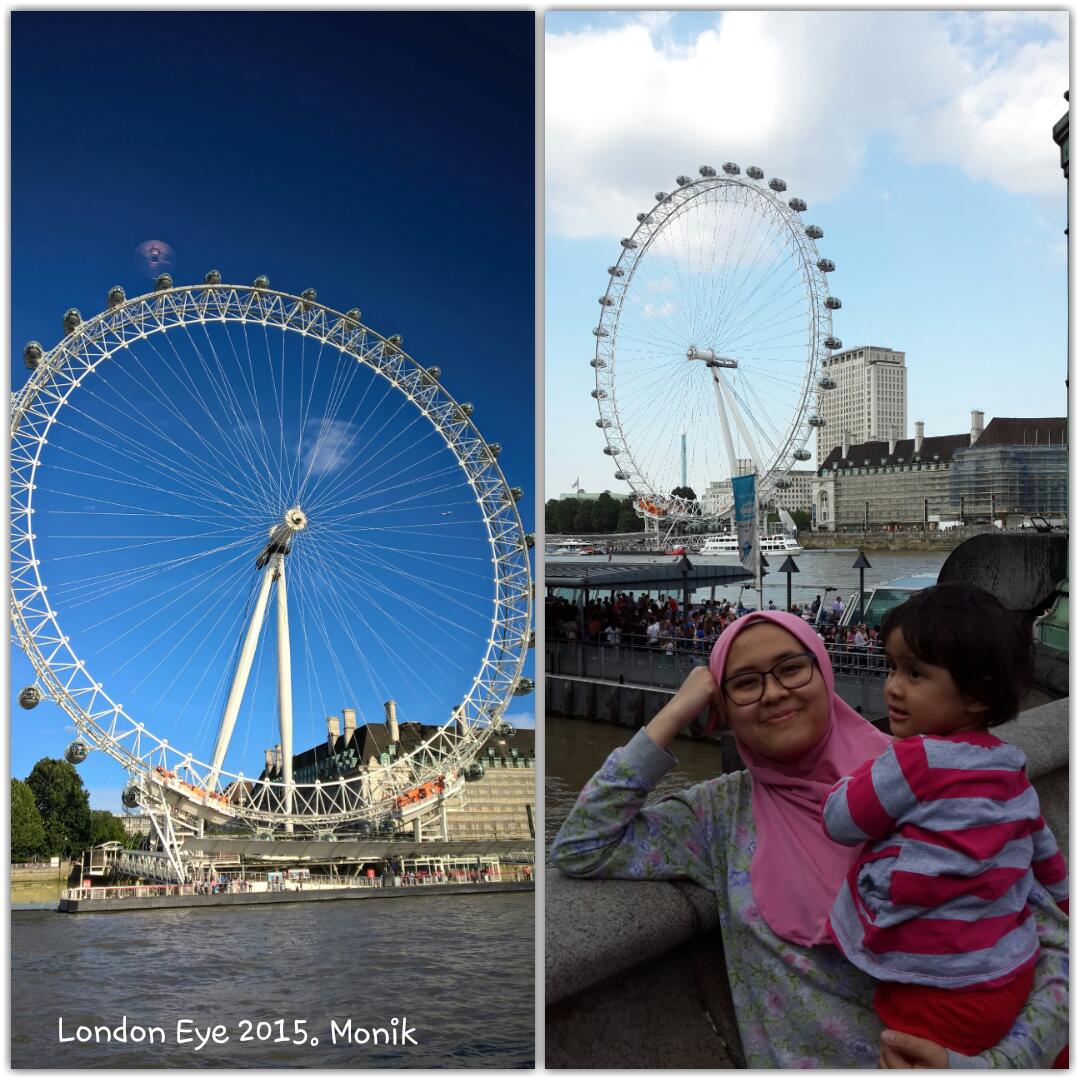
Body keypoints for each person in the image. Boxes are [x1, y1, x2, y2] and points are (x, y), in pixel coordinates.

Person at [550, 609, 1067, 1068]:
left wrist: (998, 1065)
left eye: (792, 669)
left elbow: (1055, 940)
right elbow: (581, 845)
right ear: (723, 708)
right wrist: (676, 710)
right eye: (745, 683)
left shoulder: (930, 774)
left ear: (825, 672)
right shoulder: (721, 815)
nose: (774, 692)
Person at [822, 583, 1069, 1058]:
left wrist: (848, 779)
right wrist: (1064, 900)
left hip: (931, 987)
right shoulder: (1010, 765)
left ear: (975, 695)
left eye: (915, 673)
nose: (892, 686)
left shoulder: (914, 761)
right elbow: (1045, 852)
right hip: (1009, 974)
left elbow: (840, 819)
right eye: (893, 667)